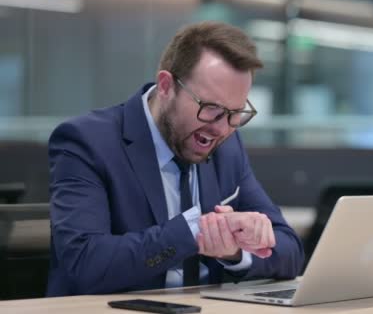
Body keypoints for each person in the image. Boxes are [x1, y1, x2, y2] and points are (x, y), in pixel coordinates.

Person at [46, 21, 304, 296]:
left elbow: (291, 251)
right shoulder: (87, 141)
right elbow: (86, 263)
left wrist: (236, 251)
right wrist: (196, 231)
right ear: (167, 86)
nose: (221, 128)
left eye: (235, 113)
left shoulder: (227, 145)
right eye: (211, 108)